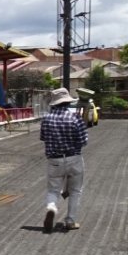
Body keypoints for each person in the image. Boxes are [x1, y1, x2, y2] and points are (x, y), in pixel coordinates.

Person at [39, 87, 89, 233]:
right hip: (74, 158)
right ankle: (70, 221)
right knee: (75, 191)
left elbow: (43, 138)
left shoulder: (46, 119)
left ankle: (52, 208)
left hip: (54, 160)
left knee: (53, 190)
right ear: (67, 102)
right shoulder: (75, 118)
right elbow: (83, 141)